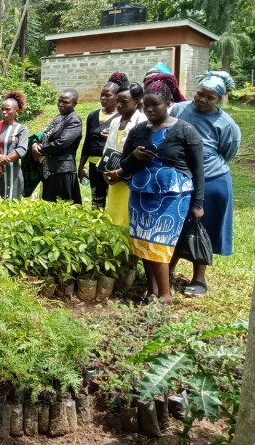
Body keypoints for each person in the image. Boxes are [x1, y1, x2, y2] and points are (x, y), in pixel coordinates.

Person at [104, 74, 204, 304]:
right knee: (142, 243)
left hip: (173, 196)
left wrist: (198, 203)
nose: (149, 110)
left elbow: (198, 170)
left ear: (169, 104)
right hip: (140, 193)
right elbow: (125, 163)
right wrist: (135, 157)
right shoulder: (138, 131)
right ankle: (152, 290)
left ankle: (165, 296)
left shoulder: (185, 131)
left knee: (159, 244)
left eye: (155, 105)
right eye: (145, 105)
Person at [169, 71, 241, 297]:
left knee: (204, 228)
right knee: (174, 225)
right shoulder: (178, 110)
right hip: (178, 179)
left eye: (210, 98)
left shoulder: (225, 123)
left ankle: (199, 278)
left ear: (220, 99)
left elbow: (227, 152)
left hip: (212, 181)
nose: (202, 100)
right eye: (200, 94)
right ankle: (167, 269)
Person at [78, 73, 125, 208]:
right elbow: (87, 142)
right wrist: (81, 166)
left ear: (117, 97)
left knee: (114, 202)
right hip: (94, 166)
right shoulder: (93, 115)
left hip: (113, 166)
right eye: (102, 95)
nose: (103, 98)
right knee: (96, 203)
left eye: (108, 95)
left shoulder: (122, 116)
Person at [102, 82, 146, 228]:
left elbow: (140, 155)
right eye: (117, 101)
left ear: (137, 101)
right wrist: (106, 171)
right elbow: (108, 148)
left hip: (131, 179)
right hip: (114, 178)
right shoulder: (115, 121)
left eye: (124, 102)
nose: (119, 105)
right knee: (113, 216)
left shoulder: (142, 122)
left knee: (127, 218)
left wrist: (121, 173)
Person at [32, 89, 83, 204]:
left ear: (75, 103)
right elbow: (44, 135)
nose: (61, 104)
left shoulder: (74, 119)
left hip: (62, 169)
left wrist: (40, 149)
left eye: (65, 102)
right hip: (50, 169)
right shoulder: (59, 118)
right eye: (59, 101)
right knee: (50, 205)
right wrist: (35, 144)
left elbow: (62, 142)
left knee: (63, 205)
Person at [0, 91, 29, 199]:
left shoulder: (21, 129)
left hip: (13, 174)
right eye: (2, 109)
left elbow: (21, 150)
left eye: (8, 109)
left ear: (16, 111)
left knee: (12, 205)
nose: (4, 112)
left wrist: (1, 163)